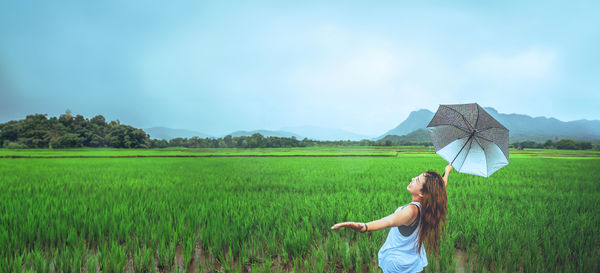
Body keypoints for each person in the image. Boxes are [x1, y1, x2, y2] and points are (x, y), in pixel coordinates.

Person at [331, 164, 452, 273]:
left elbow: (388, 221)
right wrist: (447, 172)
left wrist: (364, 226)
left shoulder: (411, 211)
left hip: (397, 264)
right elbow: (440, 189)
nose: (413, 179)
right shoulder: (430, 204)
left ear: (422, 194)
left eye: (417, 180)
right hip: (412, 261)